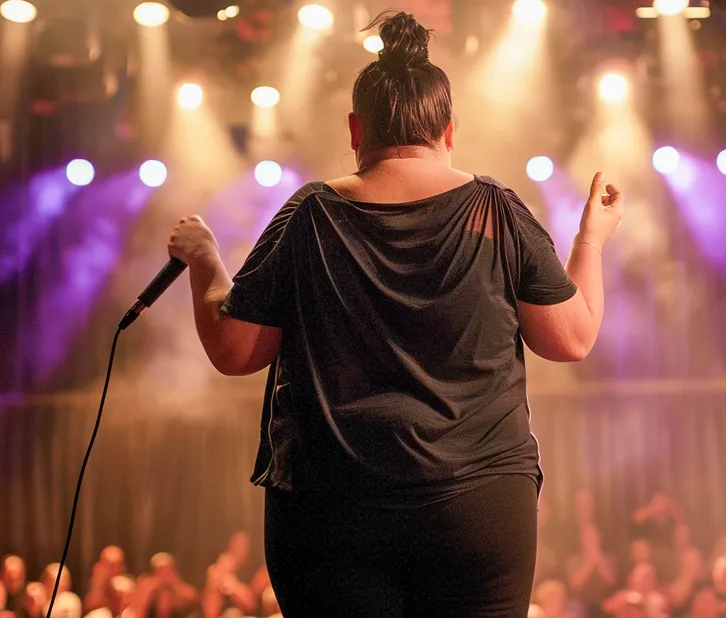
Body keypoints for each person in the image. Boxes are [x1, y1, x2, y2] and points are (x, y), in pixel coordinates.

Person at [164, 10, 624, 618]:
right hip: (480, 504)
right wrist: (590, 239)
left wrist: (204, 260)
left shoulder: (310, 216)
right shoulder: (496, 211)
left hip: (333, 511)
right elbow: (572, 339)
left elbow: (234, 351)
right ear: (450, 129)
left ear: (356, 130)